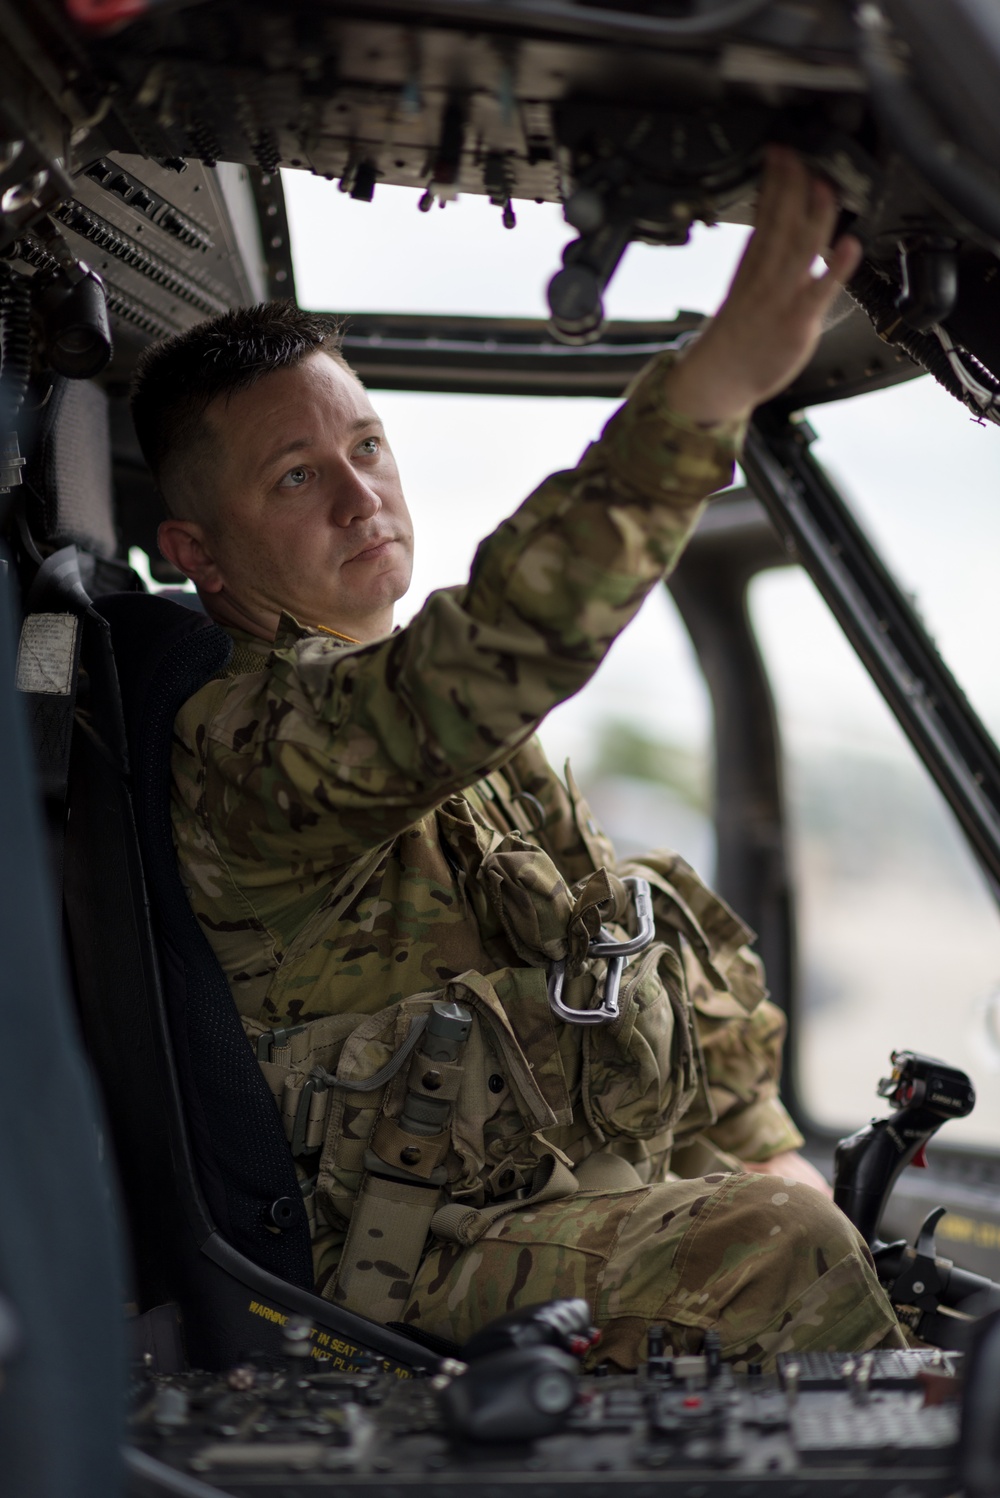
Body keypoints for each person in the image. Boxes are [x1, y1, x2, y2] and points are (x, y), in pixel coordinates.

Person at [131, 147, 906, 1367]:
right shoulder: (248, 752)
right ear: (201, 554)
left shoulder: (477, 752)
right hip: (402, 1275)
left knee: (815, 1218)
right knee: (777, 1249)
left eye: (367, 447)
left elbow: (621, 931)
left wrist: (756, 1134)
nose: (357, 494)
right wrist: (702, 397)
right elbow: (490, 648)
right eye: (297, 474)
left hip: (559, 1195)